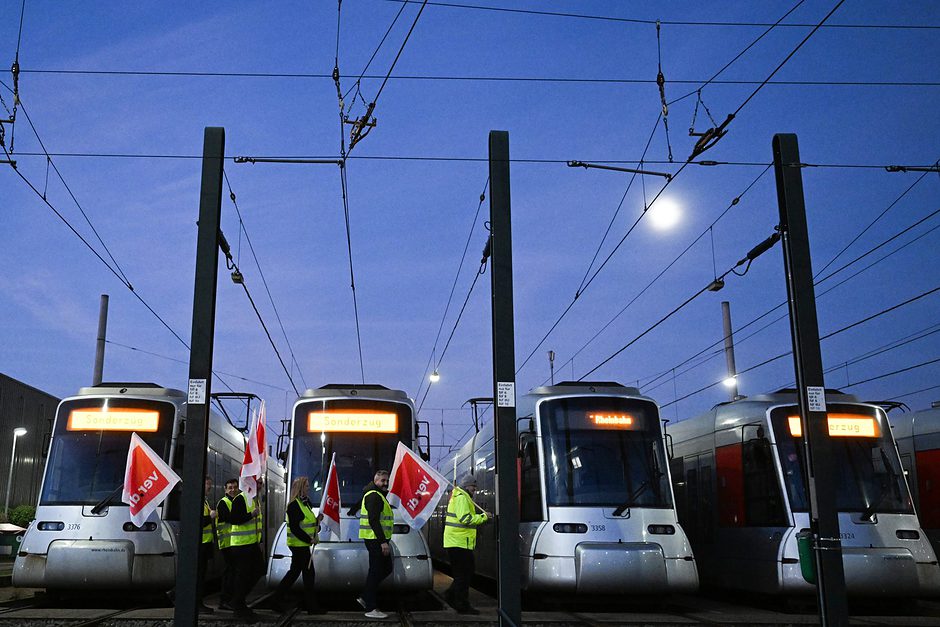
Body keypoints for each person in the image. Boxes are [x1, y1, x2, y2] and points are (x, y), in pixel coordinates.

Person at [271, 476, 324, 614]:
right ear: (300, 488)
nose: (309, 488)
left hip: (301, 544)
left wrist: (318, 523)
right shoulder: (295, 505)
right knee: (308, 575)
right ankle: (312, 607)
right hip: (299, 545)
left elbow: (308, 525)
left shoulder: (305, 504)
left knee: (294, 573)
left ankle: (276, 600)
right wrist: (308, 540)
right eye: (306, 486)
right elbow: (295, 528)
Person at [443, 473, 489, 615]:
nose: (475, 489)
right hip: (459, 542)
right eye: (473, 486)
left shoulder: (459, 496)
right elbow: (465, 518)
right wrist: (484, 517)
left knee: (463, 573)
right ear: (466, 485)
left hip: (458, 542)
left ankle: (452, 595)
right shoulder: (462, 497)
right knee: (464, 574)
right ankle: (462, 604)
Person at [357, 470, 394, 620]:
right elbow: (373, 520)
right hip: (375, 540)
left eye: (387, 481)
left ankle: (366, 596)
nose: (385, 483)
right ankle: (370, 607)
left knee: (385, 568)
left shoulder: (377, 495)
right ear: (376, 481)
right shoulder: (374, 495)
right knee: (376, 570)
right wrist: (383, 542)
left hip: (376, 539)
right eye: (383, 481)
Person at [226, 479, 263, 619]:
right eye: (258, 483)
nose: (260, 486)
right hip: (241, 545)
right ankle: (238, 604)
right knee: (243, 576)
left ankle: (238, 601)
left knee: (258, 570)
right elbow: (234, 519)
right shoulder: (240, 499)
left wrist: (259, 541)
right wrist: (251, 515)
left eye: (261, 484)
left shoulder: (254, 500)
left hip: (251, 544)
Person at [215, 478, 239, 611]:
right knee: (230, 572)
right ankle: (225, 600)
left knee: (233, 571)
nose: (233, 490)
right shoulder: (223, 503)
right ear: (225, 489)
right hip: (227, 543)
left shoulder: (234, 501)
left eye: (235, 487)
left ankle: (229, 599)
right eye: (230, 487)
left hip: (233, 542)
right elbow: (229, 518)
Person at [198, 475, 218, 615]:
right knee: (199, 575)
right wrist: (209, 517)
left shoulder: (204, 501)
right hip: (200, 545)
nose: (210, 487)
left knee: (200, 575)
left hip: (204, 544)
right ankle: (197, 603)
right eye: (208, 485)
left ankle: (174, 593)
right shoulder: (198, 501)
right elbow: (196, 521)